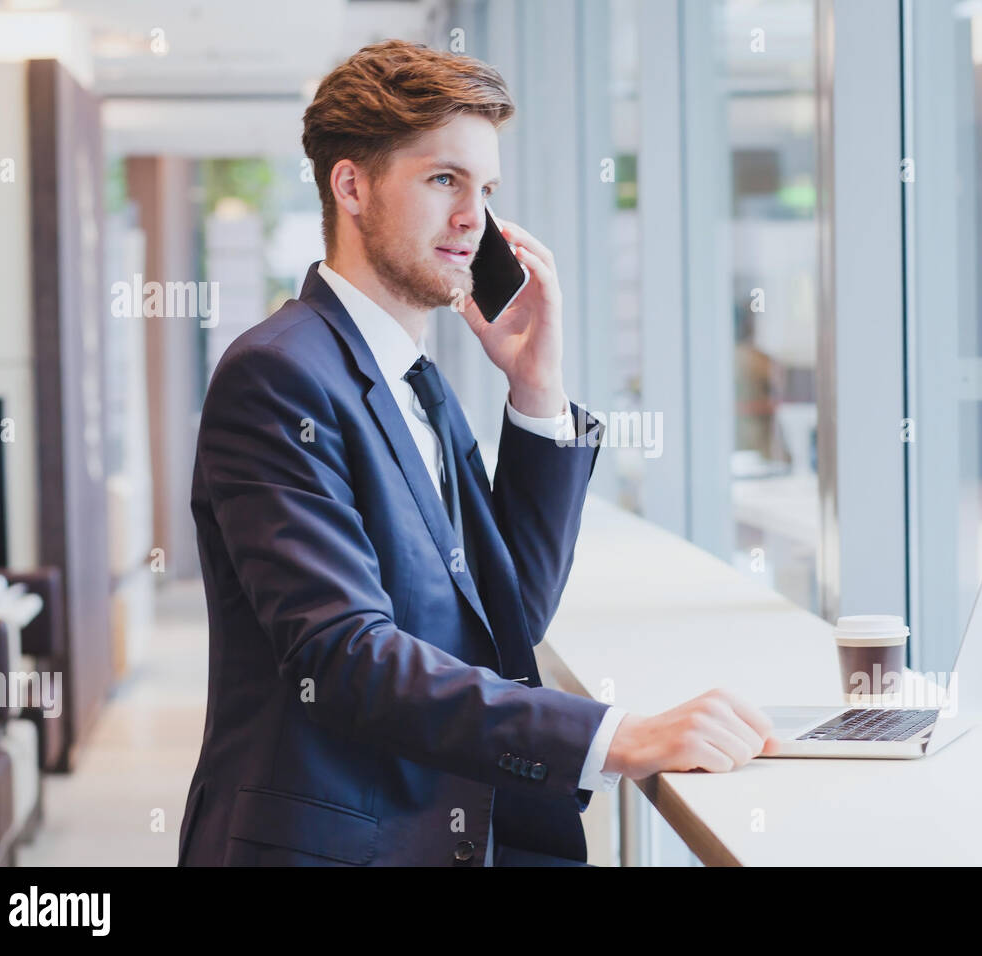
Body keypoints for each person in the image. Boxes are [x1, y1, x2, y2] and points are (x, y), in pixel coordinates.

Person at [176, 39, 778, 868]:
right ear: (350, 185)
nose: (474, 220)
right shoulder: (277, 375)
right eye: (443, 180)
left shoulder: (416, 383)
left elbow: (508, 622)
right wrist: (619, 735)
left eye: (486, 188)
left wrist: (536, 390)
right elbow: (345, 656)